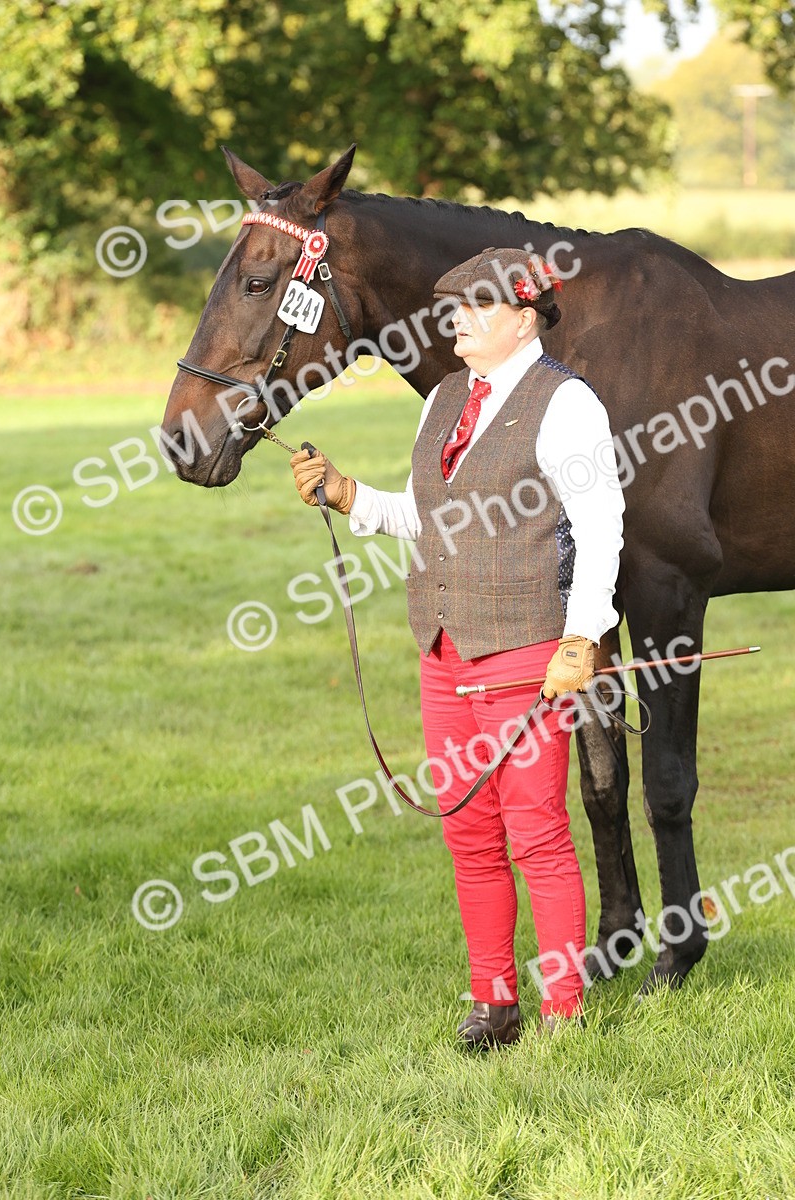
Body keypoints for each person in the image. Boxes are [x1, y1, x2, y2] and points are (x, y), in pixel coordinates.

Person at [290, 247, 624, 1049]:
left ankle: (564, 1009)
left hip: (526, 649)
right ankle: (493, 1004)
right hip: (440, 649)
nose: (458, 321)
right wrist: (346, 493)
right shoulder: (444, 396)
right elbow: (426, 512)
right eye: (453, 308)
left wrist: (582, 637)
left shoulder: (567, 404)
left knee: (536, 831)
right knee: (468, 833)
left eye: (477, 308)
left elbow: (603, 525)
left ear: (524, 318)